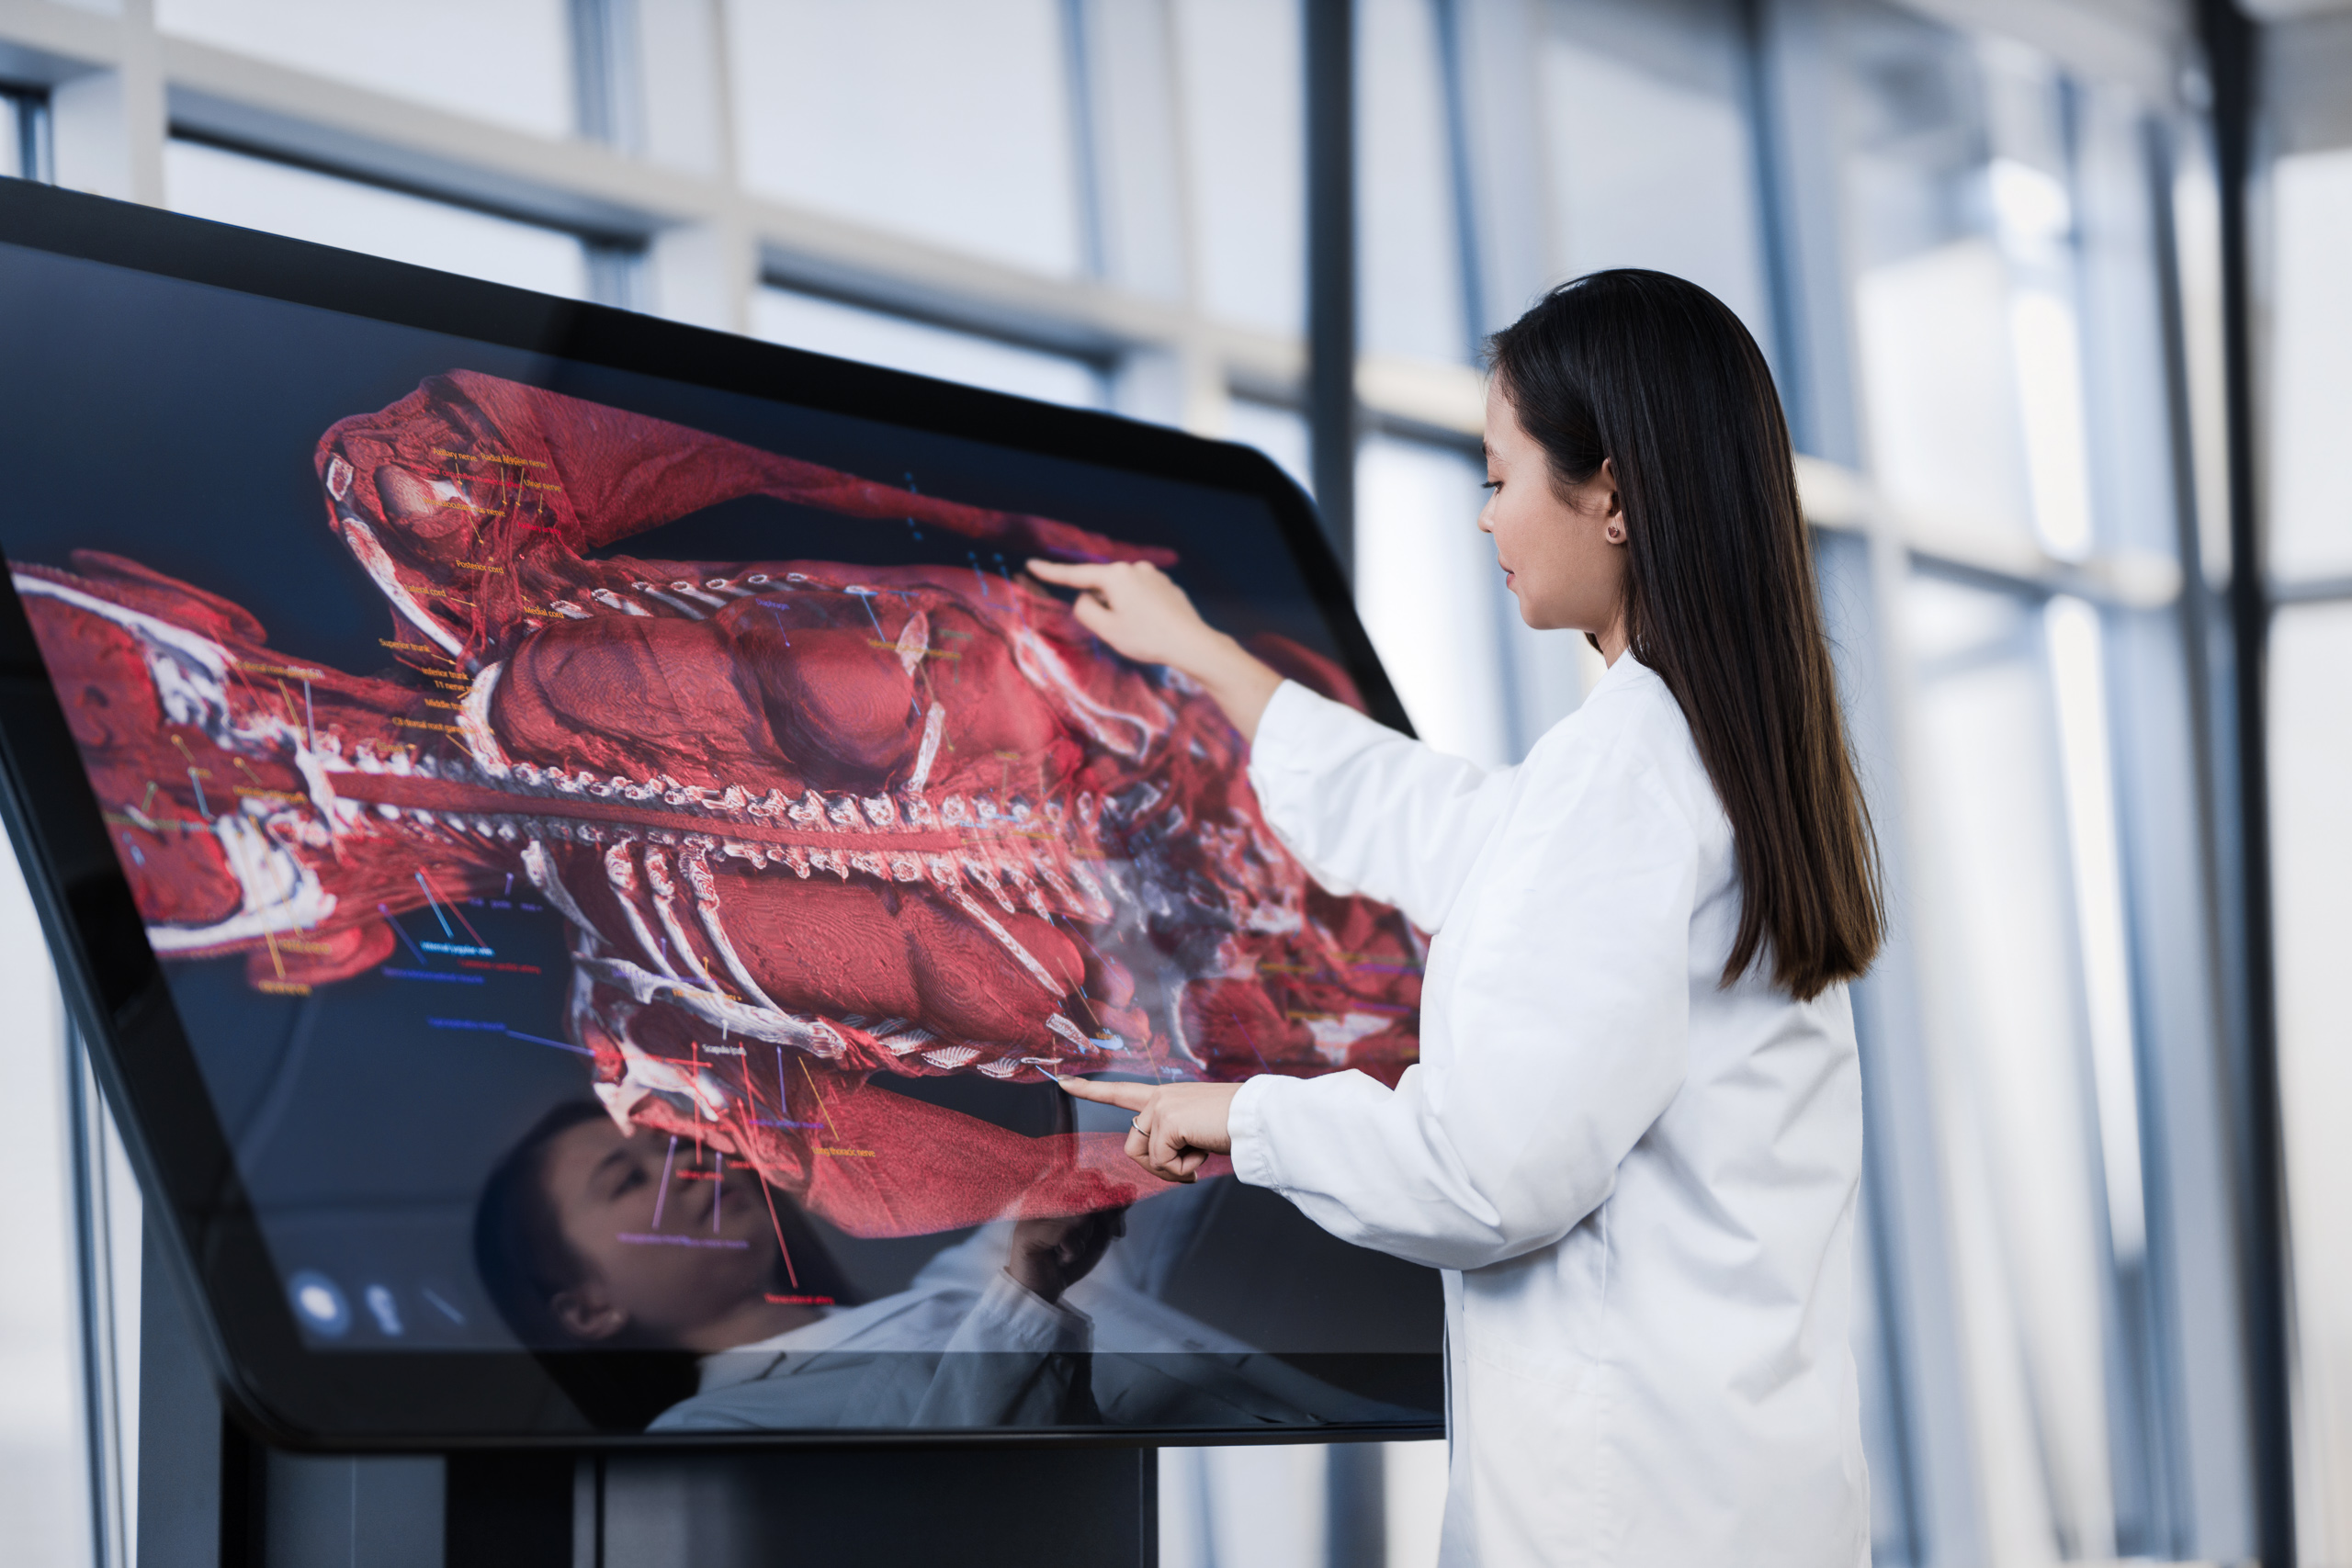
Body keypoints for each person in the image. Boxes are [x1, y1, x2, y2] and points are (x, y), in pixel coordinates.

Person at [1036, 268, 1884, 1566]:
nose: (1484, 520)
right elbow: (1451, 830)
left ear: (1608, 489)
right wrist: (1202, 653)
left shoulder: (1627, 777)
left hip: (1626, 1517)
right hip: (1752, 1495)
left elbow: (1492, 1172)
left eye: (1498, 477)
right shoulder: (1711, 754)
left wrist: (1244, 1113)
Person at [472, 1100, 1418, 1433]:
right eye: (624, 1177)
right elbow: (948, 1502)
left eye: (673, 1140)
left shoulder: (968, 1283)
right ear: (588, 1310)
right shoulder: (708, 1435)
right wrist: (1028, 1293)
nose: (688, 1162)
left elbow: (1134, 1119)